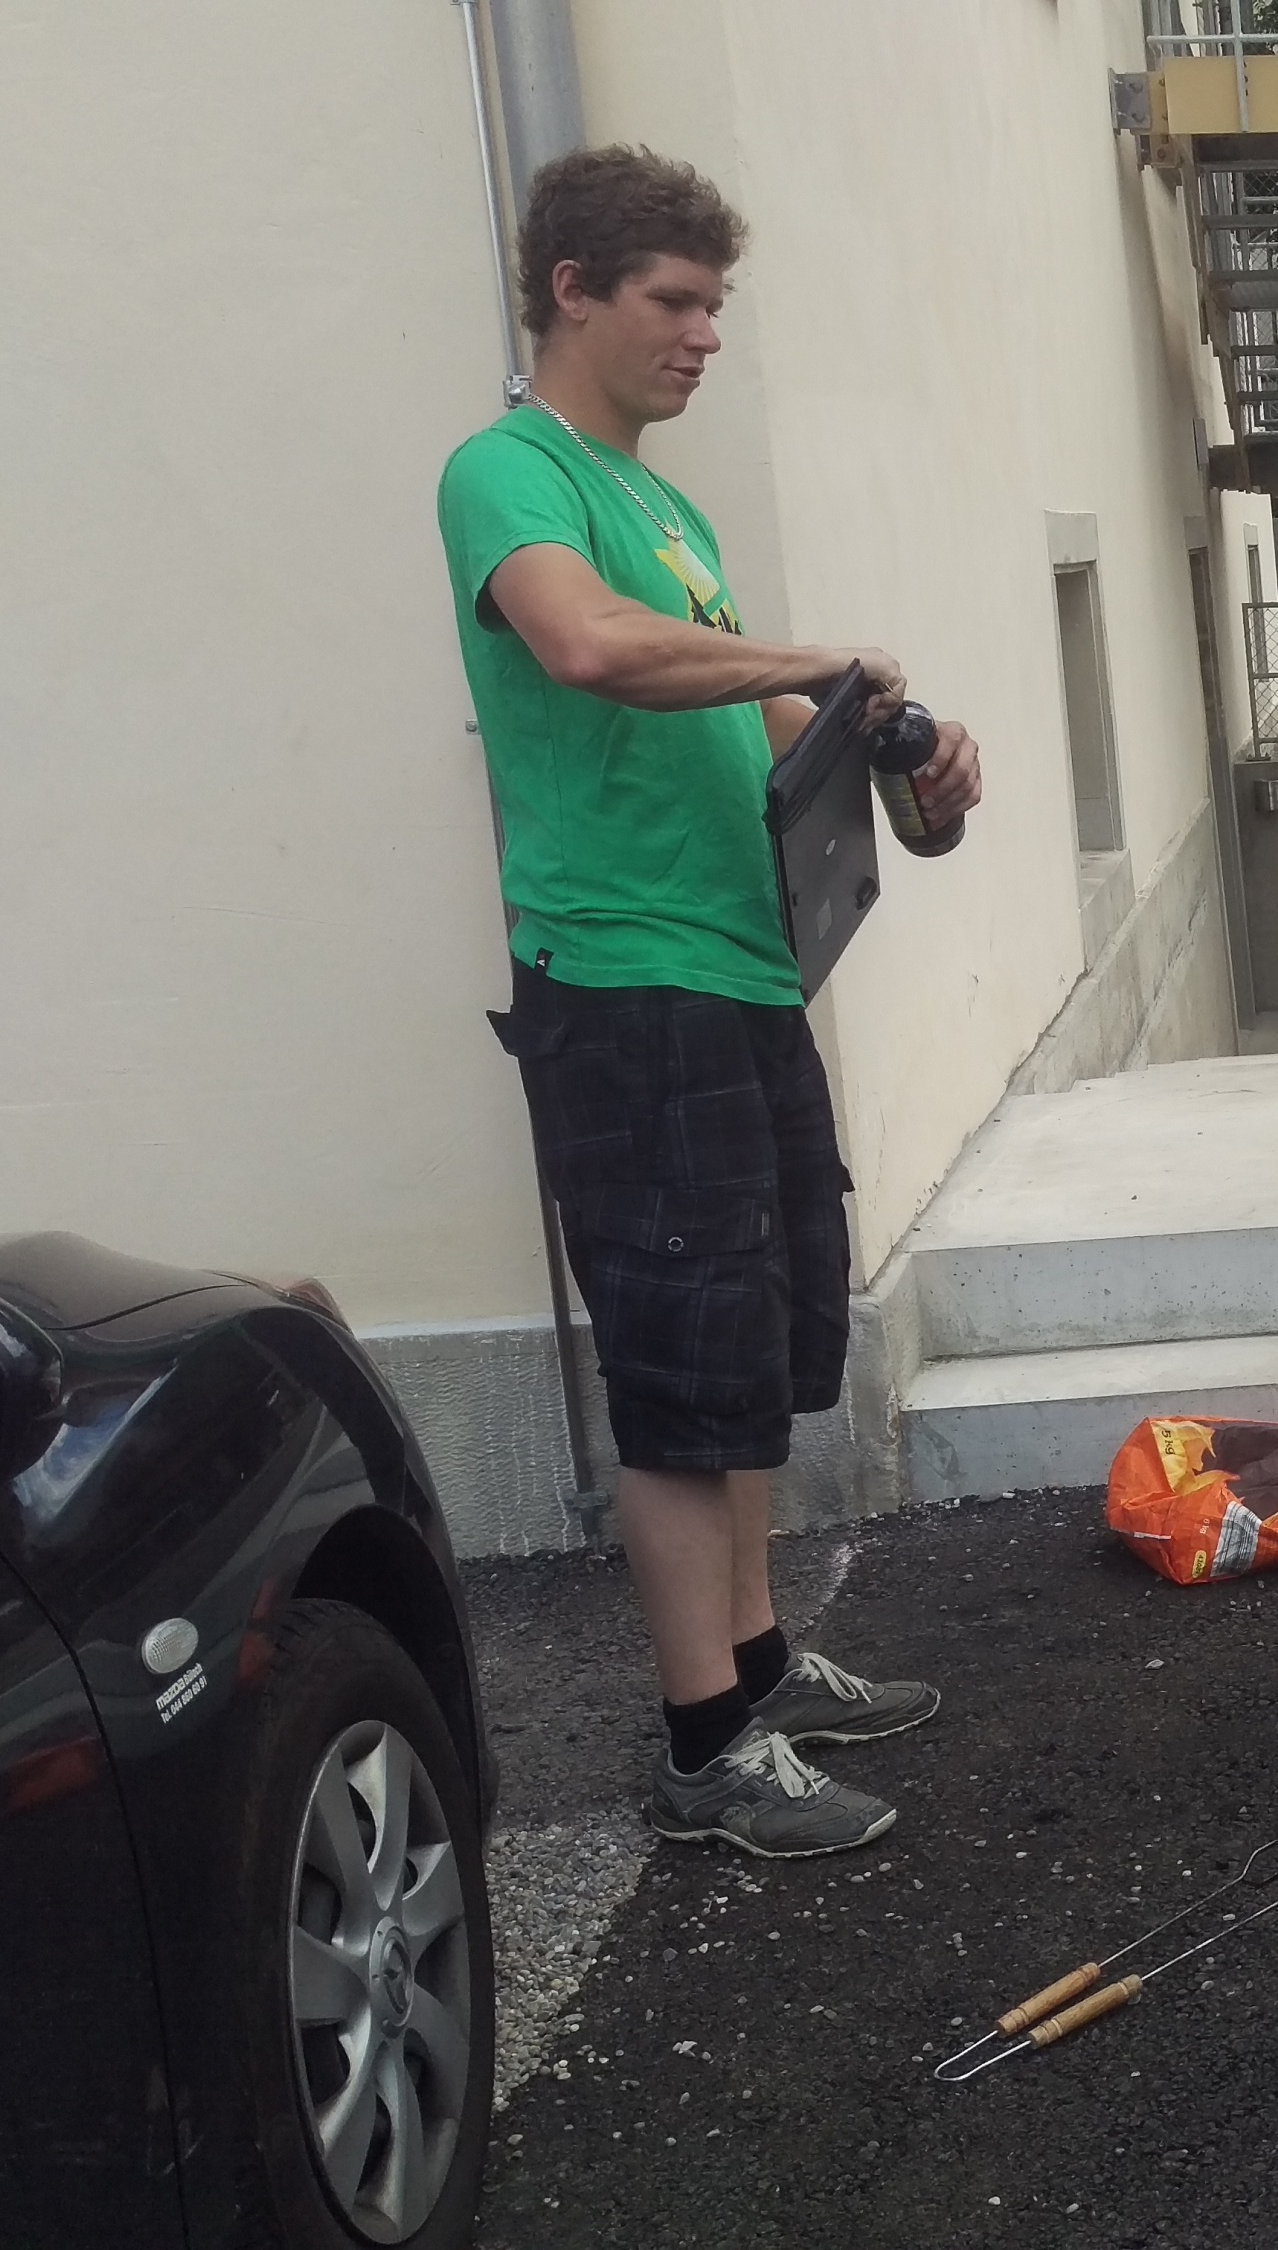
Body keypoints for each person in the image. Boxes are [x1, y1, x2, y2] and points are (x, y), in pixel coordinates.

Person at [437, 146, 982, 1858]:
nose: (704, 335)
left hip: (738, 971)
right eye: (675, 300)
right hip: (624, 977)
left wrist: (906, 764)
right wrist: (819, 658)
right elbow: (589, 646)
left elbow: (768, 739)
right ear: (573, 290)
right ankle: (703, 1751)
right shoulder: (509, 473)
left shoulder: (672, 515)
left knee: (743, 1347)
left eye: (715, 305)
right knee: (680, 1366)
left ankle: (755, 1668)